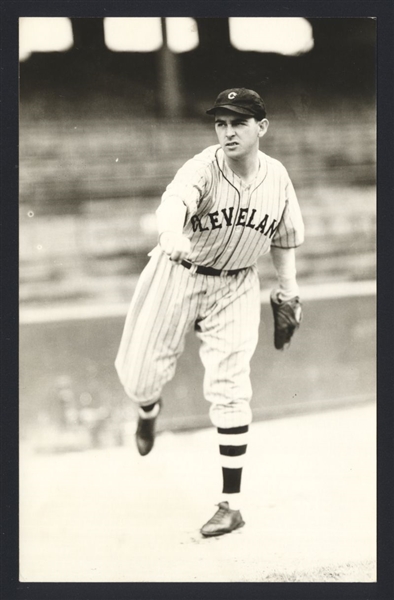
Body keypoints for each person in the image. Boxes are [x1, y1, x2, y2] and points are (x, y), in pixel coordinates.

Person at [115, 88, 304, 537]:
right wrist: (170, 234)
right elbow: (174, 201)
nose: (228, 131)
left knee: (232, 387)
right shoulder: (203, 167)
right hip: (179, 272)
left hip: (236, 284)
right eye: (221, 122)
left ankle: (231, 504)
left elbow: (284, 236)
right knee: (138, 377)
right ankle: (147, 410)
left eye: (238, 122)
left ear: (262, 127)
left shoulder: (277, 178)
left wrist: (289, 292)